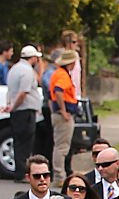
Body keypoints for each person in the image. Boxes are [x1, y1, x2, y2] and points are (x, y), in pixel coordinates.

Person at [6, 45, 43, 180]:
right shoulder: (27, 71)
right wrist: (15, 106)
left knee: (18, 142)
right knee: (26, 143)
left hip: (17, 111)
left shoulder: (14, 69)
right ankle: (23, 173)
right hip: (25, 110)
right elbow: (23, 93)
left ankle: (19, 171)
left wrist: (10, 105)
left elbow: (10, 91)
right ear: (32, 58)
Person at [48, 50, 79, 184]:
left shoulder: (57, 73)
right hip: (63, 115)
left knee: (59, 145)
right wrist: (63, 110)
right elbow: (58, 91)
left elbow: (51, 96)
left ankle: (59, 174)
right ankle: (59, 176)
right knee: (62, 147)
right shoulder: (63, 76)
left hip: (57, 113)